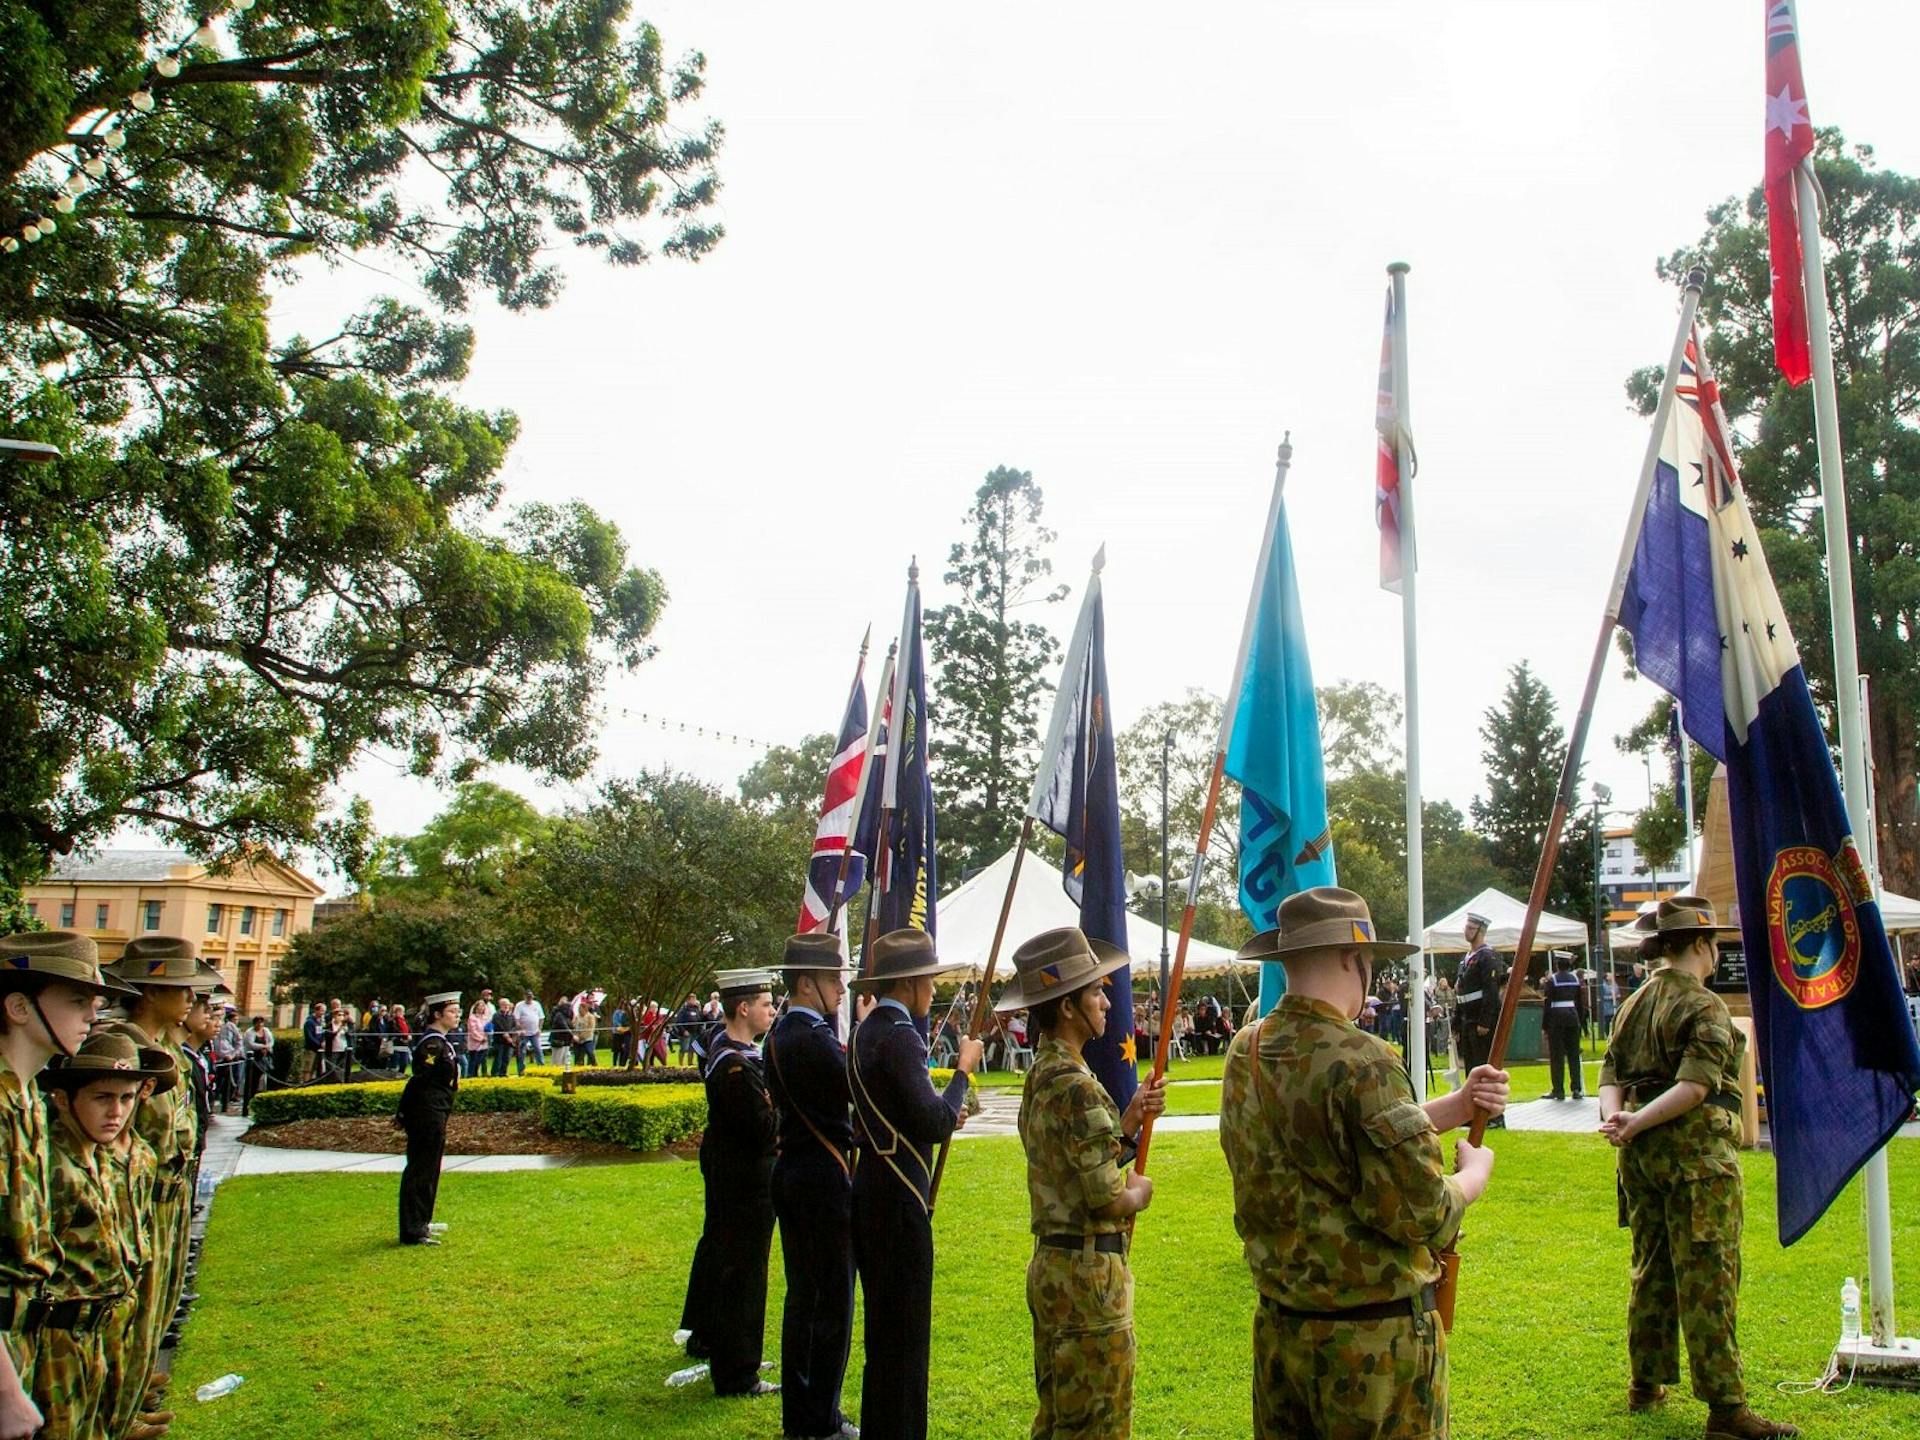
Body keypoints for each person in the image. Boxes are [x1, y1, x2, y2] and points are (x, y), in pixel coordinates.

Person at [1219, 888, 1508, 1440]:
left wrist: (1458, 1105)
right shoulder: (1365, 1059)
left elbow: (1340, 1135)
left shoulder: (1247, 1050)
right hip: (1371, 1345)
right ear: (1358, 960)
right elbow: (1422, 1211)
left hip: (1284, 1331)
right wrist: (1474, 1175)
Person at [1599, 898, 1798, 1440]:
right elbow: (1696, 1086)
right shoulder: (1705, 1007)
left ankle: (1647, 1380)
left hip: (1641, 1161)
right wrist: (1635, 1122)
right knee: (1709, 1276)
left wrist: (1620, 1120)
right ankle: (1727, 1409)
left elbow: (1609, 1074)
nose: (1716, 952)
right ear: (1699, 945)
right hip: (1697, 1159)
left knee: (1652, 1267)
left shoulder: (1632, 1003)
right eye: (1714, 944)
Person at [995, 927, 1168, 1440]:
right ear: (1067, 1007)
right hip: (1087, 1281)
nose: (1106, 997)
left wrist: (1127, 1124)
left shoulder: (1043, 1074)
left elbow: (1069, 1164)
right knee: (1098, 1422)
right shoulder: (1076, 1086)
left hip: (1056, 1268)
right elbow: (1105, 1196)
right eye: (1094, 990)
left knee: (1058, 1419)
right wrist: (1140, 1191)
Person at [847, 930, 983, 1440]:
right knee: (904, 1340)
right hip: (898, 1200)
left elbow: (909, 1113)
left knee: (883, 1337)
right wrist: (963, 1072)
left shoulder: (866, 1030)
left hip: (873, 1189)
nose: (932, 987)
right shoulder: (899, 1034)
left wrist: (944, 1110)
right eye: (927, 978)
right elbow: (931, 1121)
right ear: (907, 982)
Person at [100, 936, 218, 1436]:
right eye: (180, 986)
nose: (192, 997)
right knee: (129, 1303)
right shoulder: (122, 1049)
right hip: (140, 1195)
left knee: (156, 1300)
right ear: (148, 991)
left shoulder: (166, 1048)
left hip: (169, 1190)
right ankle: (117, 1410)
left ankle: (133, 1391)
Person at [36, 1030, 172, 1440]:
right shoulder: (52, 1169)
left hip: (104, 1323)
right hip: (59, 1335)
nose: (117, 1112)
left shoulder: (102, 1158)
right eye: (102, 1098)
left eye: (127, 1099)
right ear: (64, 1099)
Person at [766, 935, 864, 1439]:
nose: (841, 989)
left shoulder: (781, 1033)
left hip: (797, 1172)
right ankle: (819, 1418)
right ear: (806, 983)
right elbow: (856, 1084)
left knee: (804, 1301)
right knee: (830, 1305)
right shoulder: (810, 1037)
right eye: (833, 980)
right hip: (822, 1179)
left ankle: (804, 1415)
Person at [678, 970, 780, 1399]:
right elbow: (764, 1126)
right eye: (765, 1003)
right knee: (744, 1271)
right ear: (743, 1008)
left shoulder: (730, 1051)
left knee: (722, 1257)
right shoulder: (736, 1066)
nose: (772, 1010)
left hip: (730, 1172)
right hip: (744, 1180)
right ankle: (739, 1369)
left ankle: (713, 1340)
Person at [397, 992, 462, 1247]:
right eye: (452, 1011)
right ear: (437, 1014)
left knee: (430, 1168)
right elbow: (420, 1080)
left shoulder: (442, 1042)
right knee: (420, 1169)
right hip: (427, 1112)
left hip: (437, 1110)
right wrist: (403, 1113)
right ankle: (413, 1229)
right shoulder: (432, 1044)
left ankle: (422, 1221)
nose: (457, 1015)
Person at [1454, 911, 1505, 1126]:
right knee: (1471, 1069)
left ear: (1481, 931)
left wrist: (1485, 1021)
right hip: (1467, 1019)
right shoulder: (1466, 959)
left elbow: (1491, 992)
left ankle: (1494, 1116)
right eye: (1466, 927)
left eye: (1471, 928)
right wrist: (1457, 1023)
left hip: (1480, 1021)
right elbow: (1460, 993)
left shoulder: (1487, 957)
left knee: (1485, 1069)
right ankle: (1472, 1113)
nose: (1466, 931)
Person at [1541, 950, 1590, 1101]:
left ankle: (1558, 1090)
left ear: (1557, 964)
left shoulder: (1552, 980)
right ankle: (1576, 1089)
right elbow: (1580, 1004)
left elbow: (1547, 1003)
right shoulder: (1575, 980)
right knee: (1573, 1054)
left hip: (1556, 1019)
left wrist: (1545, 1025)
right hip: (1572, 1018)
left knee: (1556, 1056)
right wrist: (1582, 1023)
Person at [242, 1014, 275, 1115]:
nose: (260, 1024)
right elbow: (251, 1044)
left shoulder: (266, 1031)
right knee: (253, 1080)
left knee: (266, 1078)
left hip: (264, 1058)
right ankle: (249, 1098)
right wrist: (262, 1046)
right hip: (254, 1059)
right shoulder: (250, 1032)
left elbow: (271, 1041)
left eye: (262, 1022)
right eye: (258, 1022)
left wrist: (267, 1047)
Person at [513, 991, 544, 1072]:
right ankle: (521, 1070)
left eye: (530, 997)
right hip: (524, 1033)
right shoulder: (519, 1005)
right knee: (521, 1052)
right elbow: (516, 1019)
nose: (529, 998)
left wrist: (539, 1028)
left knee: (538, 1050)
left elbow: (541, 1017)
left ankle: (541, 1068)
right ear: (524, 997)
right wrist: (520, 1028)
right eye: (528, 997)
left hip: (535, 1032)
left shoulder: (537, 1004)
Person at [465, 997, 491, 1079]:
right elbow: (473, 1030)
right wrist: (480, 1038)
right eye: (480, 1006)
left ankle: (477, 1075)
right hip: (475, 1044)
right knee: (473, 1061)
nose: (481, 1008)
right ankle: (471, 1076)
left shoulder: (485, 1018)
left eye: (483, 1006)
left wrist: (486, 1036)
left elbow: (488, 1028)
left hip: (484, 1043)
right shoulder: (472, 1018)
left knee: (480, 1061)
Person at [489, 1000, 516, 1078]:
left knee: (506, 1058)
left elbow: (514, 1026)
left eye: (507, 1004)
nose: (506, 1006)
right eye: (504, 1004)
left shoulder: (511, 1015)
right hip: (499, 1041)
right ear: (500, 1005)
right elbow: (498, 1026)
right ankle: (495, 1074)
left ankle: (503, 1073)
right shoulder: (496, 1015)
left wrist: (511, 1035)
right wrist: (506, 1035)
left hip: (509, 1042)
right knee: (498, 1058)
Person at [548, 995, 575, 1069]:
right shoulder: (559, 1015)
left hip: (566, 1041)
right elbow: (564, 1026)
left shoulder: (567, 1016)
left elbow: (571, 1025)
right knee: (557, 1060)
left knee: (565, 1060)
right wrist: (573, 1035)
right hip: (558, 1040)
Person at [574, 998, 599, 1066]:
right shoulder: (577, 1017)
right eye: (579, 1008)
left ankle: (594, 1064)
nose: (579, 1010)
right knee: (578, 1056)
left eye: (580, 1008)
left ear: (585, 1009)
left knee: (590, 1052)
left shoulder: (590, 1017)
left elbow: (591, 1029)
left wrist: (582, 1037)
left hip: (587, 1039)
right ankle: (579, 1066)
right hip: (578, 1040)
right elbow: (574, 1027)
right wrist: (575, 1036)